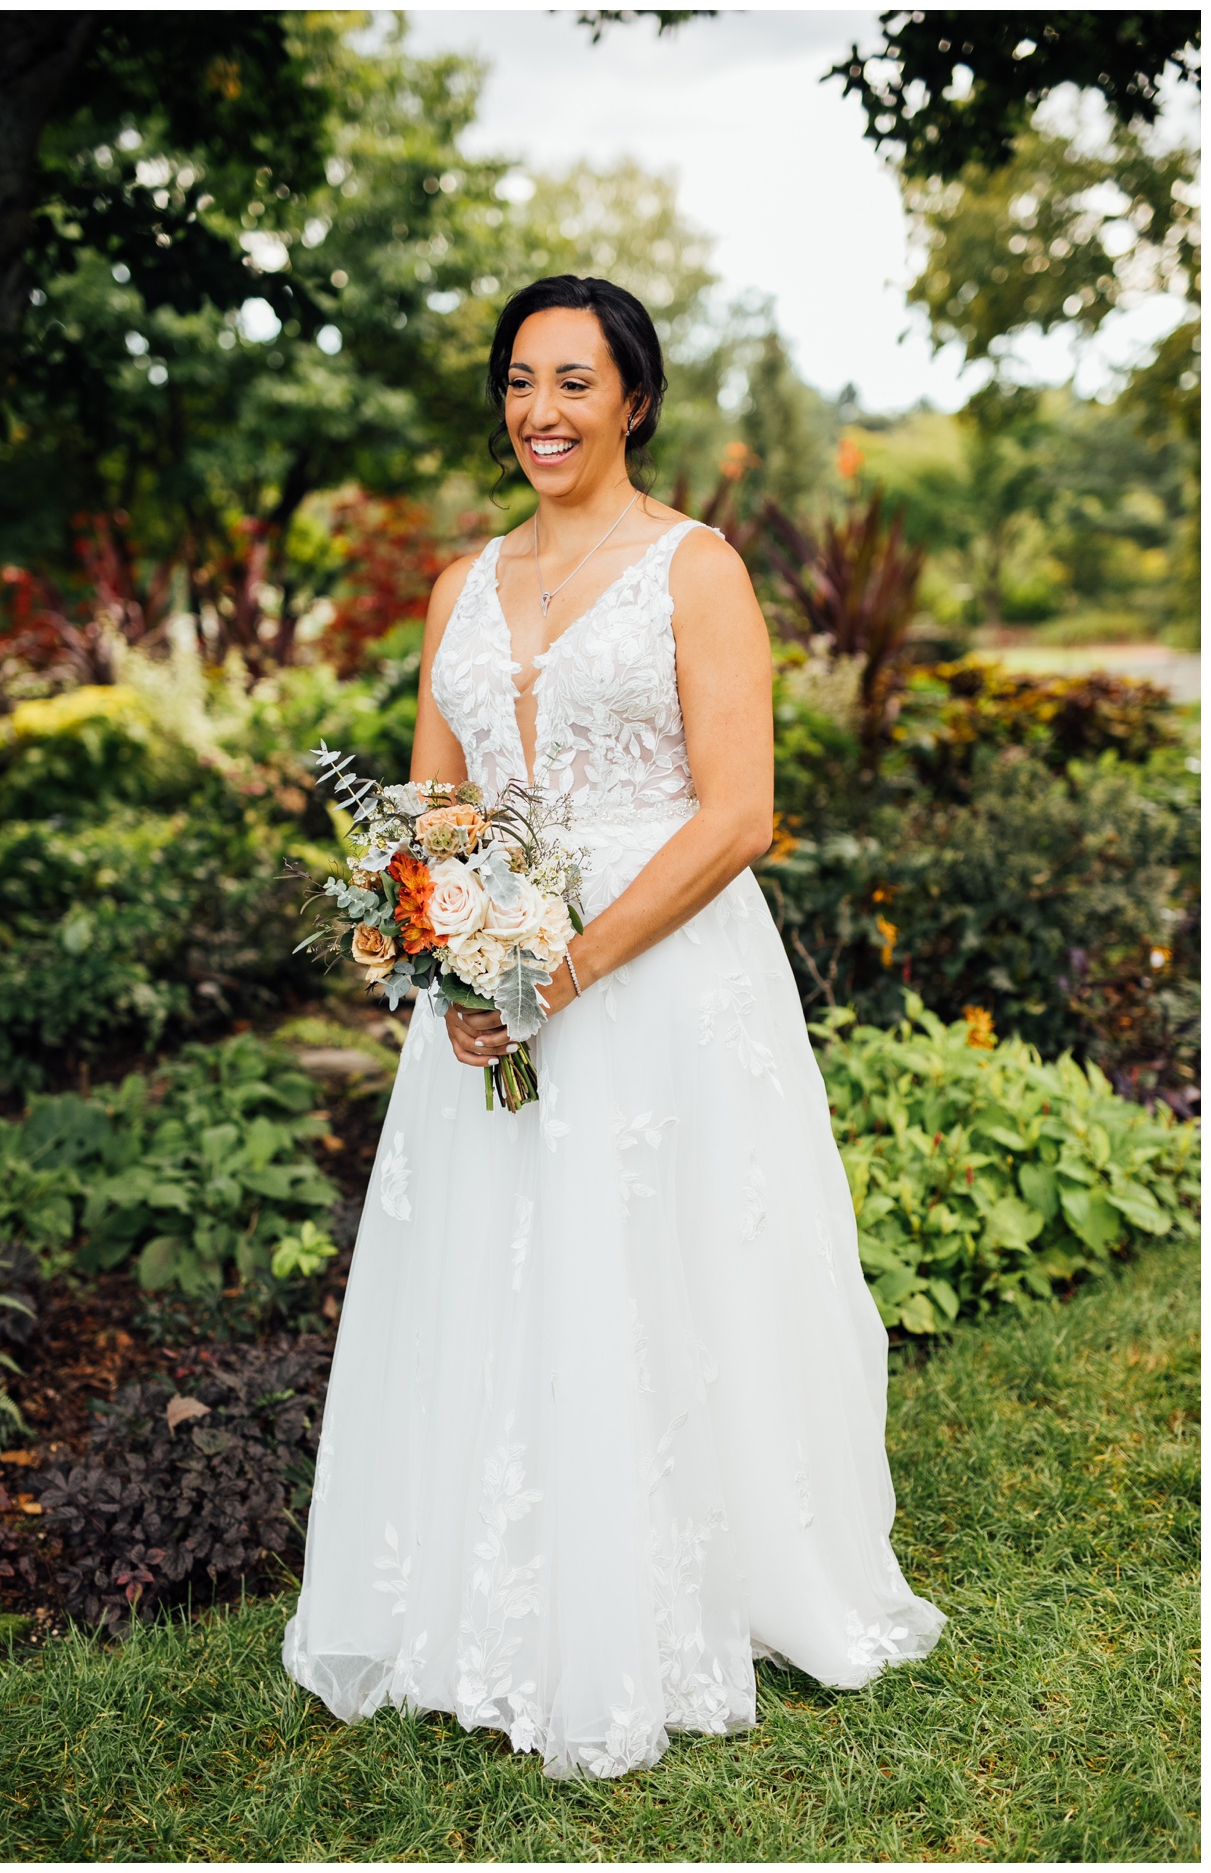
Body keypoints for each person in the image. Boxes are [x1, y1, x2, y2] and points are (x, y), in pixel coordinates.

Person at [282, 275, 943, 1779]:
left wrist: (565, 970)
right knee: (494, 1270)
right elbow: (433, 806)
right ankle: (484, 1589)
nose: (541, 411)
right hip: (492, 990)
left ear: (633, 401)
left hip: (658, 982)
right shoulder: (459, 586)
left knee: (662, 1265)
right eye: (521, 381)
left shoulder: (694, 569)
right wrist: (449, 958)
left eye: (574, 382)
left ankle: (696, 1576)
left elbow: (741, 814)